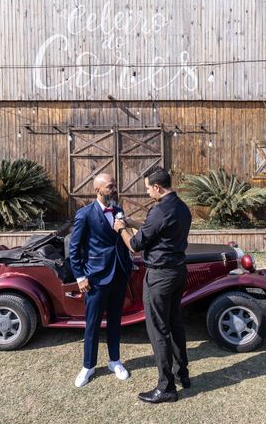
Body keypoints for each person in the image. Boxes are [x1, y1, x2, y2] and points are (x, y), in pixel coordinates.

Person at [113, 167, 192, 404]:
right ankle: (182, 374)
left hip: (160, 277)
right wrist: (131, 221)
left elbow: (136, 245)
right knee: (175, 323)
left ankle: (166, 387)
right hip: (178, 272)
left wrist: (121, 229)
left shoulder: (159, 210)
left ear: (157, 187)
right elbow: (154, 227)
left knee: (158, 330)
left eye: (148, 188)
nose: (147, 193)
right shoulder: (181, 207)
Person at [68, 173, 133, 388]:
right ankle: (88, 366)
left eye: (114, 185)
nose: (114, 189)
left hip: (119, 275)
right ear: (98, 190)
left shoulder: (118, 211)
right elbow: (74, 248)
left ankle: (115, 361)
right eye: (110, 186)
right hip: (95, 277)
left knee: (116, 320)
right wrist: (80, 276)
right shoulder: (85, 214)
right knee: (93, 323)